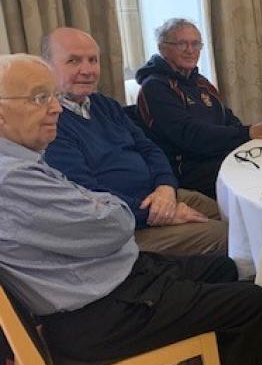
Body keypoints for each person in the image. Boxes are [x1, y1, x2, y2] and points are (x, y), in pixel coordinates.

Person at [0, 54, 262, 365]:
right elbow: (114, 225)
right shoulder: (13, 179)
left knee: (229, 267)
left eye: (51, 96)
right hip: (98, 312)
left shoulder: (26, 157)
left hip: (112, 279)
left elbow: (101, 209)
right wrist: (107, 208)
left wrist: (106, 206)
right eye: (37, 98)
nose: (53, 109)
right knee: (251, 304)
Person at [41, 27, 227, 255]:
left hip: (159, 196)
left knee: (237, 214)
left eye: (93, 60)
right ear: (47, 66)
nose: (87, 70)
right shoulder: (49, 123)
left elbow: (149, 148)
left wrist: (166, 187)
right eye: (73, 61)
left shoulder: (103, 105)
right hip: (129, 225)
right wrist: (156, 214)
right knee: (227, 236)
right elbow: (88, 196)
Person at [135, 18, 262, 199]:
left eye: (195, 44)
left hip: (221, 157)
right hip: (189, 171)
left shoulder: (201, 83)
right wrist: (248, 133)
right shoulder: (155, 88)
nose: (190, 50)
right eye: (182, 44)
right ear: (162, 48)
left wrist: (249, 135)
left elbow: (229, 120)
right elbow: (190, 135)